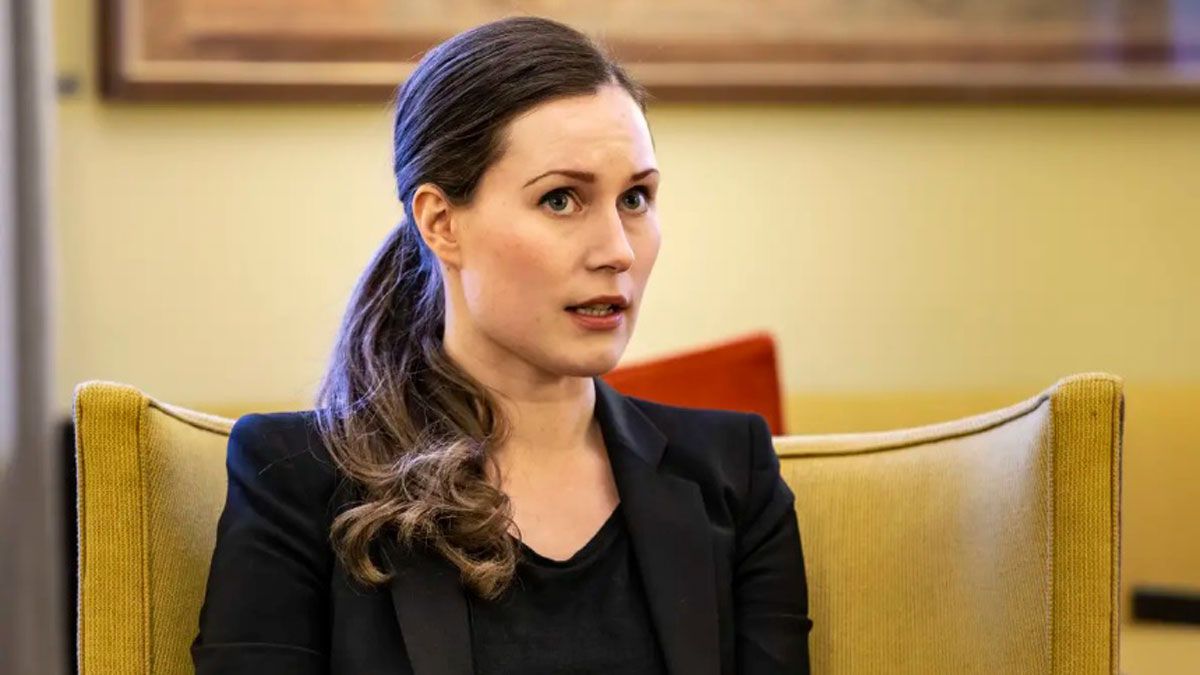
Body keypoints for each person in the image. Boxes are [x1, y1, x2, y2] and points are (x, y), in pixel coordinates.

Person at [191, 15, 811, 675]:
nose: (617, 250)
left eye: (635, 198)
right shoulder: (292, 475)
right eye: (561, 200)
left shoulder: (735, 472)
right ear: (441, 223)